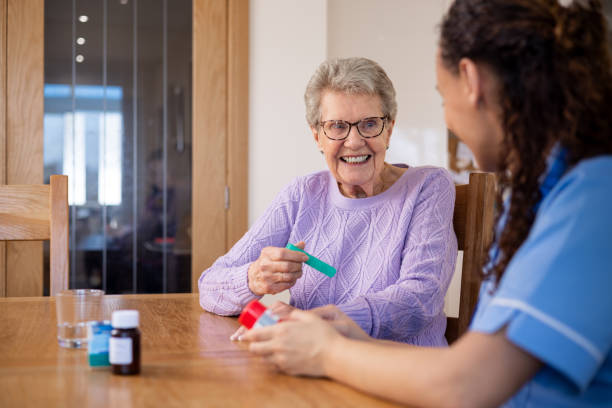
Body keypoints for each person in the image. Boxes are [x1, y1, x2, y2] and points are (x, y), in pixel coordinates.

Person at [241, 0, 612, 406]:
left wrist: (326, 351)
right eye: (337, 126)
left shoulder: (591, 200)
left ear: (470, 81)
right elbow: (467, 364)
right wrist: (340, 330)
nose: (448, 118)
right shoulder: (548, 196)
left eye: (441, 96)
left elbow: (468, 384)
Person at [199, 57, 458, 346]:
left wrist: (313, 322)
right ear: (317, 136)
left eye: (370, 123)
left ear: (389, 129)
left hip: (401, 375)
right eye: (337, 126)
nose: (354, 141)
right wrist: (255, 277)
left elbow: (419, 300)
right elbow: (209, 286)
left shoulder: (429, 186)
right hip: (313, 372)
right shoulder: (302, 194)